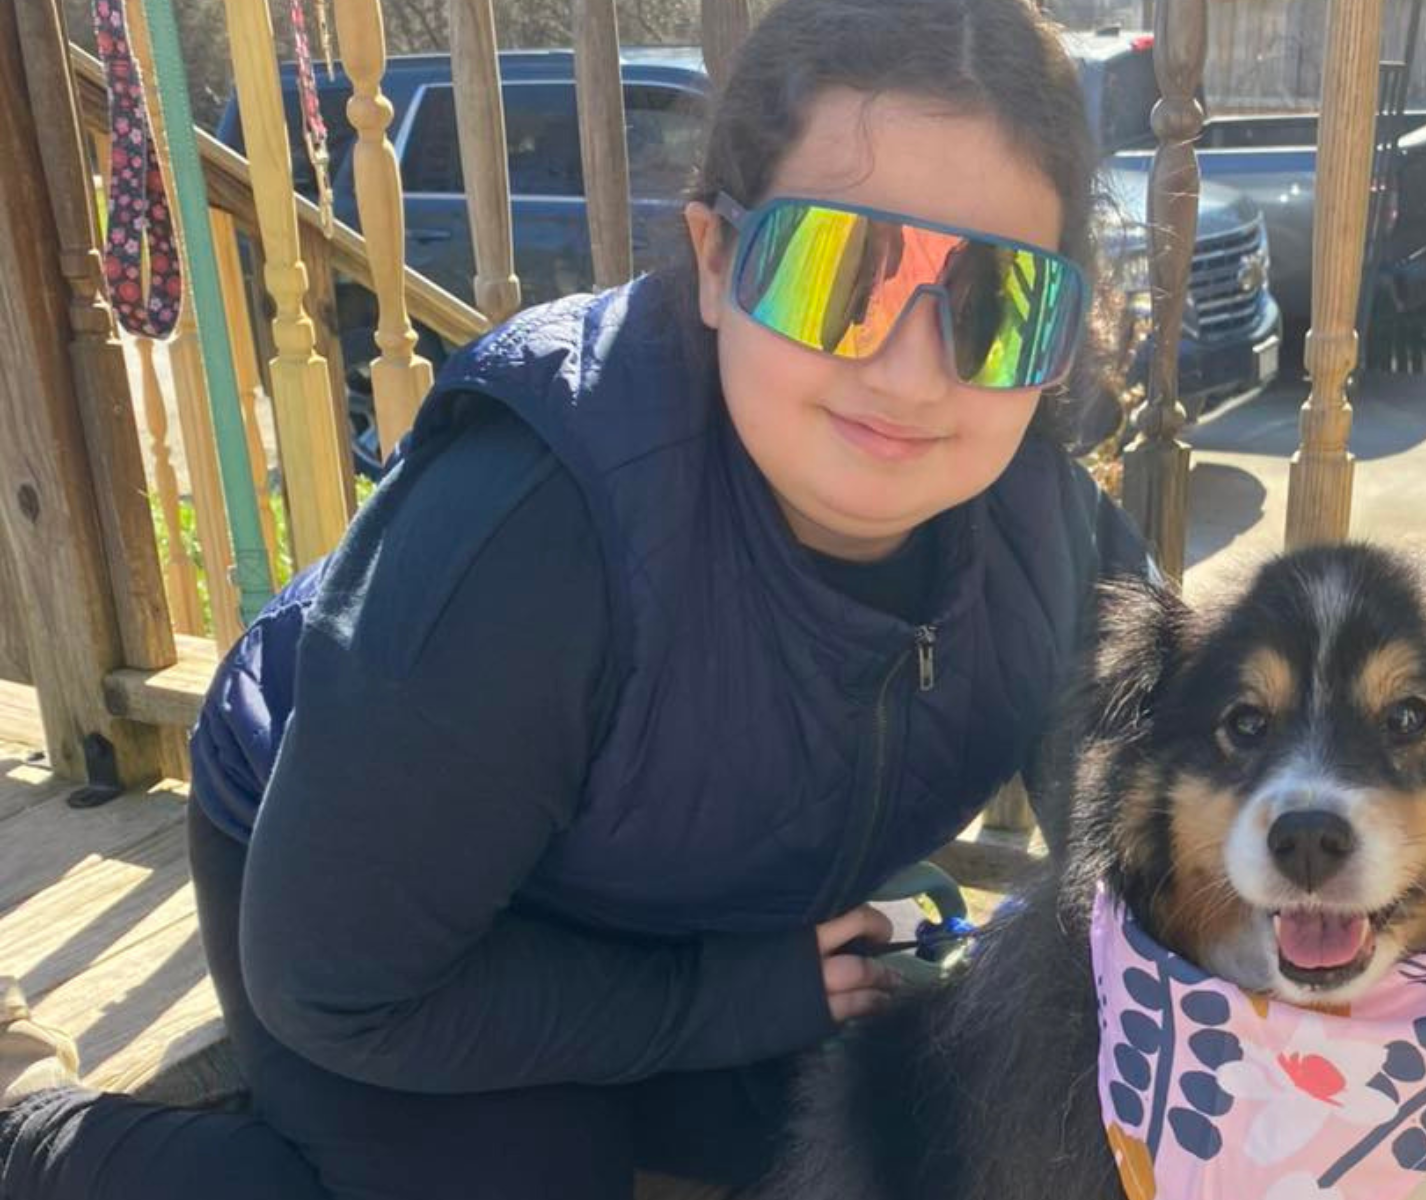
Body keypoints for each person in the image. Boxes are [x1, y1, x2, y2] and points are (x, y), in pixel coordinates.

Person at [0, 0, 1151, 1197]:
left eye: (1000, 305)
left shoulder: (1056, 545)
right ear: (716, 261)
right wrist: (734, 999)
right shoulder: (536, 528)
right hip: (379, 904)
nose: (914, 371)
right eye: (835, 272)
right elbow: (342, 986)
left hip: (696, 900)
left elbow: (1186, 864)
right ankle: (32, 1124)